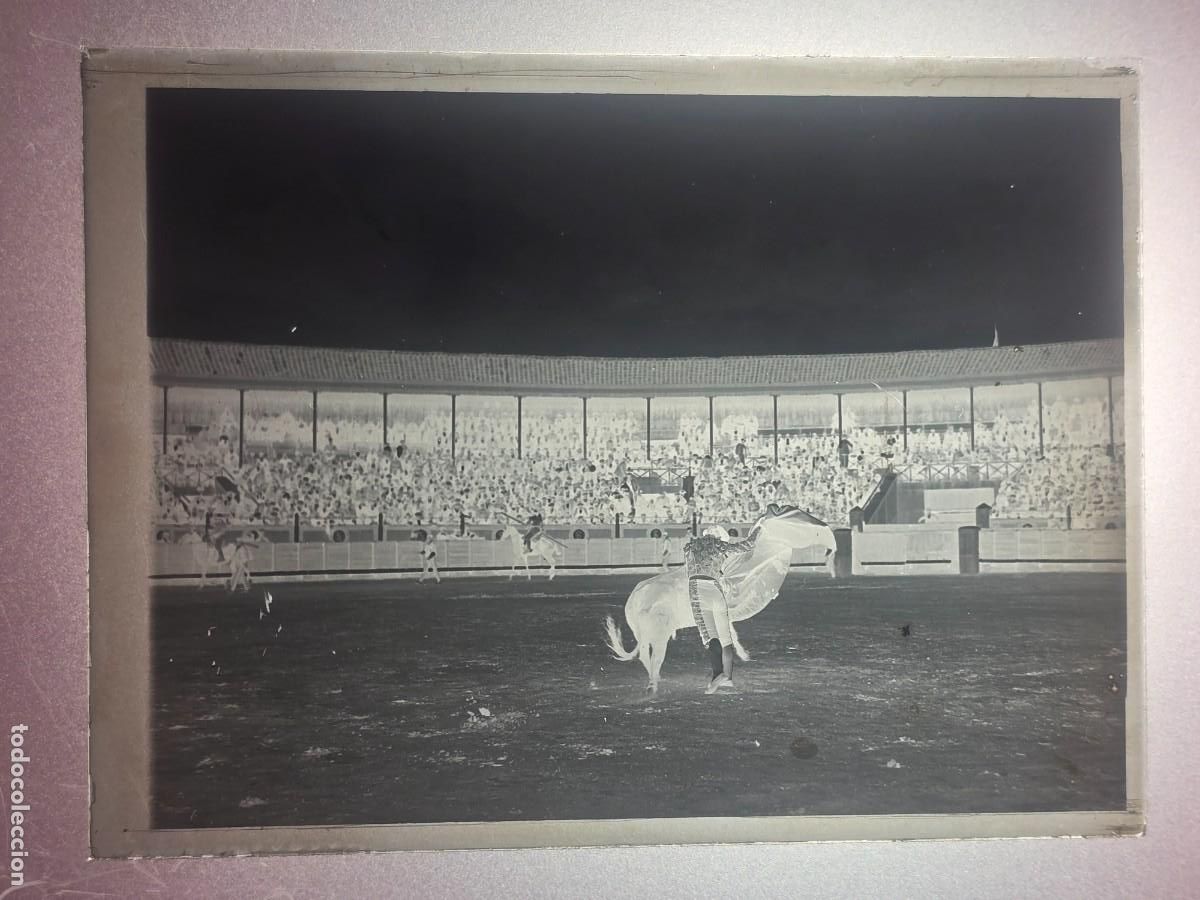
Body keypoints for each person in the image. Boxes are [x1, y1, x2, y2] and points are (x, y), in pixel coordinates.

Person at [684, 520, 763, 694]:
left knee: (710, 636)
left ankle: (718, 673)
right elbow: (748, 545)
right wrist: (758, 529)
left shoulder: (689, 547)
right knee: (725, 638)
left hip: (698, 589)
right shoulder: (721, 546)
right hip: (716, 591)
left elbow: (688, 570)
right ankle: (727, 679)